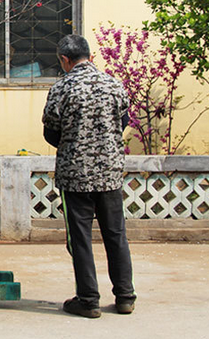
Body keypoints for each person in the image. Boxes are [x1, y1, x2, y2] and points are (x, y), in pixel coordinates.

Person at [42, 34, 136, 318]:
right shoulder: (113, 84)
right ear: (90, 56)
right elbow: (123, 122)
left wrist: (74, 143)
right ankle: (125, 297)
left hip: (75, 177)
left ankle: (88, 299)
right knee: (116, 235)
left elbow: (51, 133)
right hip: (109, 174)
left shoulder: (61, 88)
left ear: (64, 60)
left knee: (80, 239)